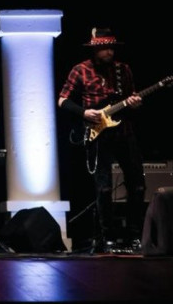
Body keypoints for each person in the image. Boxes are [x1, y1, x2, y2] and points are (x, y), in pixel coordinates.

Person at [58, 27, 144, 252]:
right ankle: (108, 238)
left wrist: (135, 103)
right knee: (104, 188)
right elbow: (63, 100)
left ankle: (135, 236)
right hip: (99, 134)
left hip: (124, 131)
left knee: (137, 185)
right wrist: (84, 112)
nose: (109, 52)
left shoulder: (123, 70)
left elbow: (131, 97)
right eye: (104, 48)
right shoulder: (80, 70)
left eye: (111, 48)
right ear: (94, 49)